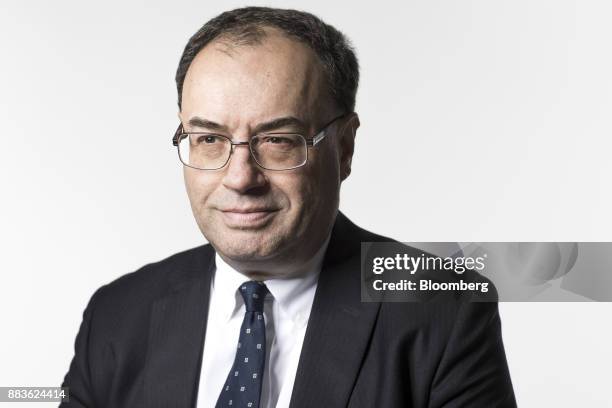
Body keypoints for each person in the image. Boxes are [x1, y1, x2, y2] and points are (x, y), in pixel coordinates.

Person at [61, 6, 516, 408]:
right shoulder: (117, 314)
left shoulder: (443, 309)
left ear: (345, 146)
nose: (240, 178)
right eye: (209, 139)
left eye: (278, 140)